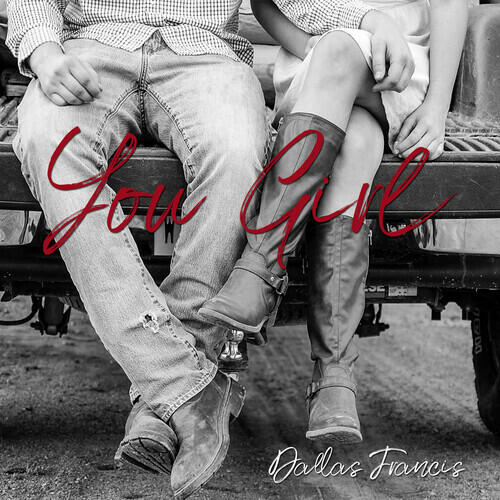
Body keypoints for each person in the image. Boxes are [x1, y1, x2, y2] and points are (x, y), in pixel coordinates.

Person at [5, 0, 415, 496]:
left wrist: (370, 21)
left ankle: (162, 398)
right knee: (47, 141)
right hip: (88, 49)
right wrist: (44, 51)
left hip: (207, 55)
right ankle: (186, 385)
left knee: (239, 154)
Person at [201, 0, 468, 445]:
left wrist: (438, 106)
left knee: (342, 49)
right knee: (356, 141)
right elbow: (266, 2)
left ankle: (262, 268)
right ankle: (333, 374)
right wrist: (310, 47)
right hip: (316, 71)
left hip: (402, 63)